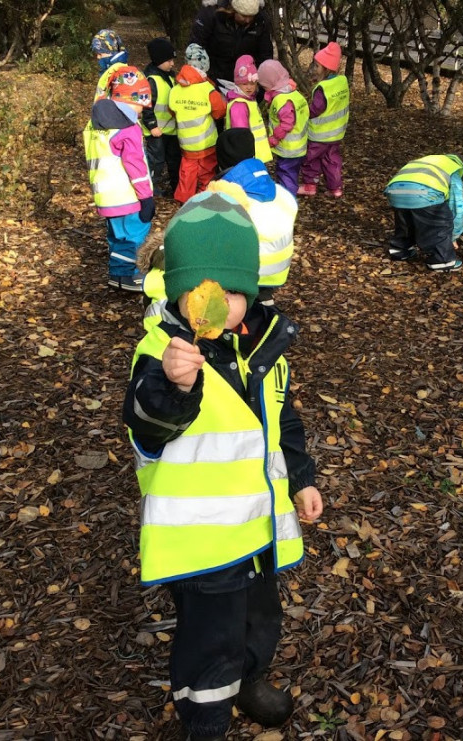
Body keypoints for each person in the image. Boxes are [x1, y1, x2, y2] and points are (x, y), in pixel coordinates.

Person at [123, 190, 323, 741]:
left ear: (252, 292)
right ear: (179, 290)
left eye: (234, 292)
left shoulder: (260, 347)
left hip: (256, 529)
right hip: (202, 541)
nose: (219, 304)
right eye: (200, 291)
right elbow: (146, 421)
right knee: (209, 640)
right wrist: (174, 386)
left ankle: (249, 679)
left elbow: (282, 420)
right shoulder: (163, 355)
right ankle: (206, 719)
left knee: (261, 621)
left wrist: (301, 480)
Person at [83, 67, 155, 292]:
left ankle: (116, 273)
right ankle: (129, 276)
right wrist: (147, 198)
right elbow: (136, 167)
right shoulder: (129, 129)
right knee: (135, 237)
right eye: (140, 105)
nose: (142, 111)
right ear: (128, 100)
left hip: (105, 196)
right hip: (127, 196)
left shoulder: (95, 124)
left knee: (116, 236)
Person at [210, 128, 297, 305]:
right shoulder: (282, 193)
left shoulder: (226, 197)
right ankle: (264, 299)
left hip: (245, 274)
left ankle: (236, 303)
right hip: (278, 270)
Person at [384, 154, 463, 272]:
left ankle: (400, 249)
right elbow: (458, 207)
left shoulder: (428, 162)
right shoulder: (453, 170)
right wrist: (453, 237)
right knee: (438, 223)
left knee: (406, 220)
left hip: (394, 190)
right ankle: (442, 260)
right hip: (424, 192)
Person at [168, 44, 226, 203]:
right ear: (205, 65)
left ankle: (183, 200)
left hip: (186, 143)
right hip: (206, 142)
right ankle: (205, 198)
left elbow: (171, 110)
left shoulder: (176, 88)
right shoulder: (207, 89)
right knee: (207, 171)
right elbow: (219, 112)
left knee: (187, 172)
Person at [188, 0, 274, 93]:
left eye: (251, 16)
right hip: (213, 77)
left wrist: (261, 87)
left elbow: (265, 54)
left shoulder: (261, 20)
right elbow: (196, 47)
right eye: (244, 15)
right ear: (233, 10)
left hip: (245, 82)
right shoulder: (211, 14)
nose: (248, 20)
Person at [298, 42, 349, 198]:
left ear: (326, 69)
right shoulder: (342, 82)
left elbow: (316, 109)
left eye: (318, 66)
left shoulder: (323, 88)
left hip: (319, 135)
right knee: (332, 160)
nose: (316, 69)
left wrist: (303, 112)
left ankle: (310, 185)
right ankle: (335, 188)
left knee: (311, 159)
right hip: (336, 134)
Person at [257, 60, 308, 197]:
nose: (264, 89)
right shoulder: (294, 94)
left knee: (285, 171)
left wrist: (274, 138)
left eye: (265, 86)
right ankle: (290, 189)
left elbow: (286, 124)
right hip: (299, 145)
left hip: (289, 147)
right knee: (291, 171)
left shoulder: (282, 100)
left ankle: (288, 198)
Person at [143, 37, 181, 197]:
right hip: (156, 131)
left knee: (174, 159)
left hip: (171, 130)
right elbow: (146, 106)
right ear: (159, 60)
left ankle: (176, 186)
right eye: (169, 60)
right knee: (156, 160)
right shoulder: (151, 80)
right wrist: (152, 125)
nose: (172, 64)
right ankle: (151, 186)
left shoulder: (172, 77)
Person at [223, 55, 271, 164]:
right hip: (247, 156)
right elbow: (241, 134)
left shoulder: (248, 100)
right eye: (245, 84)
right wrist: (245, 155)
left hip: (253, 155)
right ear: (238, 83)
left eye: (252, 84)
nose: (249, 87)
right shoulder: (239, 104)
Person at [91, 29, 130, 101]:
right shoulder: (109, 71)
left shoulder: (119, 74)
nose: (98, 57)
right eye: (96, 54)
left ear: (111, 52)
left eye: (100, 53)